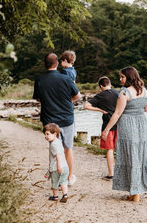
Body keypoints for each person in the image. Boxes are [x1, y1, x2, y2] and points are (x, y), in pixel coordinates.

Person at [101, 66, 147, 202]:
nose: (120, 79)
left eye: (122, 77)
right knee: (140, 155)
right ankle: (135, 191)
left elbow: (117, 113)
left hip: (128, 124)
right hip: (141, 124)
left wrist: (107, 129)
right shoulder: (144, 91)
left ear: (129, 77)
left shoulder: (124, 92)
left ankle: (135, 192)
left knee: (129, 156)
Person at [33, 52, 81, 185]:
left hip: (49, 121)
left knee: (54, 150)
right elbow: (77, 96)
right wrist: (67, 101)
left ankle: (57, 179)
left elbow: (38, 98)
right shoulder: (66, 78)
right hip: (67, 118)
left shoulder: (39, 80)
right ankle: (69, 177)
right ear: (58, 64)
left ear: (44, 64)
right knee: (68, 149)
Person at [83, 76, 118, 180]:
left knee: (110, 150)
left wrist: (99, 109)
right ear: (110, 84)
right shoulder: (118, 93)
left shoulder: (100, 95)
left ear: (101, 86)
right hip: (120, 124)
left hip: (108, 125)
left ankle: (111, 174)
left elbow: (86, 106)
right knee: (121, 150)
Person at [44, 123, 69, 203]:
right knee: (63, 181)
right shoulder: (58, 141)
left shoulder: (53, 145)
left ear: (55, 134)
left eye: (48, 134)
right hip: (65, 166)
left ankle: (55, 196)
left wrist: (58, 166)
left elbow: (58, 156)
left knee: (55, 182)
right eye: (45, 134)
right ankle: (65, 195)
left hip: (57, 167)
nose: (46, 136)